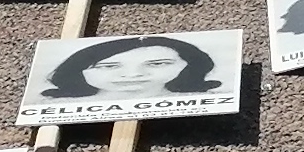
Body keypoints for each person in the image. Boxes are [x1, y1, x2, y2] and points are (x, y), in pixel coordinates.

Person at [36, 33, 218, 104]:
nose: (133, 75)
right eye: (108, 66)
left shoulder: (208, 100)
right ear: (77, 69)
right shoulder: (49, 105)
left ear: (189, 64)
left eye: (157, 63)